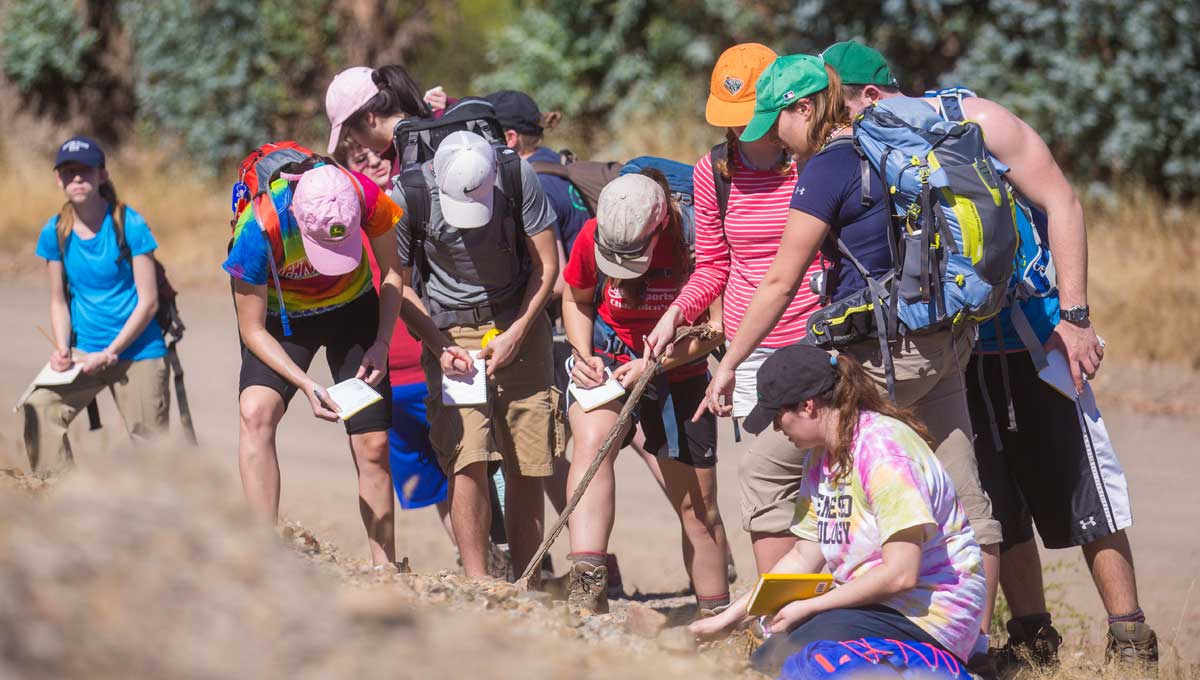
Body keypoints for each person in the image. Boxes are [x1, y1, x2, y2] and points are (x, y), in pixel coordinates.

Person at [822, 40, 1158, 670]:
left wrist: (1076, 317)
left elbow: (1063, 201)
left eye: (838, 105)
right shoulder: (859, 150)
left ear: (868, 94)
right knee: (992, 502)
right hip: (951, 348)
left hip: (1037, 336)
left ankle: (1130, 638)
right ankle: (1034, 644)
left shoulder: (973, 119)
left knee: (1087, 495)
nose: (833, 121)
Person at [699, 53, 1004, 630]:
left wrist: (728, 363)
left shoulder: (828, 166)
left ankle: (778, 627)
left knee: (765, 468)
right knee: (960, 487)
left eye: (777, 125)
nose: (778, 144)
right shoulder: (883, 139)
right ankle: (977, 644)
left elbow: (779, 281)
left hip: (886, 350)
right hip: (943, 338)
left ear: (806, 108)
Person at [327, 63, 562, 583]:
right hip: (451, 329)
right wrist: (437, 345)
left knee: (529, 461)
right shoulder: (407, 192)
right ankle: (480, 583)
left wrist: (520, 331)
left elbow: (548, 266)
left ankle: (526, 581)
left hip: (519, 321)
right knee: (466, 456)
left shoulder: (518, 174)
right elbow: (400, 282)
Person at [691, 345, 985, 675]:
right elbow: (804, 555)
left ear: (807, 406)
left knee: (787, 660)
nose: (776, 428)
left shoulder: (884, 452)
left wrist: (809, 607)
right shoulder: (821, 456)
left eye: (777, 416)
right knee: (767, 659)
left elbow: (901, 574)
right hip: (877, 606)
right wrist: (729, 617)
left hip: (932, 615)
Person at [646, 43, 825, 575]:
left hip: (816, 343)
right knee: (770, 497)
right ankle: (782, 617)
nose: (737, 129)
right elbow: (713, 266)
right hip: (749, 356)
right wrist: (676, 312)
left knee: (830, 490)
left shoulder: (813, 164)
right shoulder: (714, 172)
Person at [560, 172, 730, 614]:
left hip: (680, 371)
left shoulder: (694, 237)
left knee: (698, 504)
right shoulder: (593, 233)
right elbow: (576, 299)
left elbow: (716, 329)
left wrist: (656, 363)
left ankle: (716, 615)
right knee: (593, 444)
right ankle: (587, 591)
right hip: (609, 365)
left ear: (661, 227)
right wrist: (582, 353)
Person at [224, 158, 405, 568]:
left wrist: (381, 342)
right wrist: (305, 382)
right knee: (255, 413)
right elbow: (252, 329)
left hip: (353, 310)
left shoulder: (365, 196)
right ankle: (263, 553)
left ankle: (386, 567)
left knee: (373, 444)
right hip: (283, 321)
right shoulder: (257, 229)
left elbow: (393, 272)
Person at [24, 136, 170, 476]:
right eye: (69, 172)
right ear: (58, 179)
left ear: (101, 175)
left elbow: (148, 303)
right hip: (84, 354)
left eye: (85, 171)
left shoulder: (128, 223)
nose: (77, 178)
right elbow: (58, 300)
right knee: (39, 410)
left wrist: (111, 351)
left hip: (138, 351)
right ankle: (60, 505)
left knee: (152, 446)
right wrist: (63, 348)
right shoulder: (55, 231)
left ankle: (158, 522)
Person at [337, 139, 455, 550]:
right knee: (433, 481)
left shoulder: (420, 204)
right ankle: (470, 559)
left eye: (380, 154)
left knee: (466, 467)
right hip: (389, 373)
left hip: (436, 362)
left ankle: (496, 563)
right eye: (359, 158)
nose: (373, 161)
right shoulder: (342, 222)